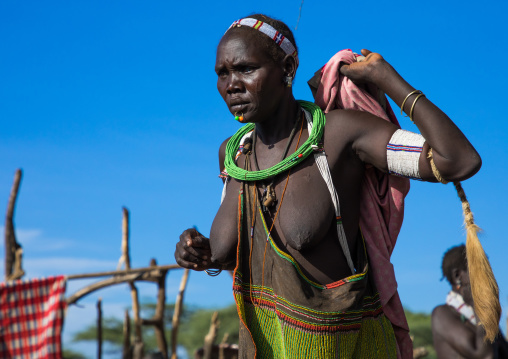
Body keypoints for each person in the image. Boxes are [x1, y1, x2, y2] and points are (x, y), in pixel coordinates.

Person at [174, 14, 481, 358]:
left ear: (288, 68)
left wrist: (388, 79)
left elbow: (458, 160)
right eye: (222, 73)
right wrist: (198, 250)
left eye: (245, 69)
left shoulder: (338, 136)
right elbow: (241, 258)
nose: (231, 84)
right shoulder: (234, 156)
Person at [432, 245, 508, 359]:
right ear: (457, 275)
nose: (487, 276)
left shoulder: (484, 316)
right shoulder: (442, 314)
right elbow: (485, 355)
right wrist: (476, 304)